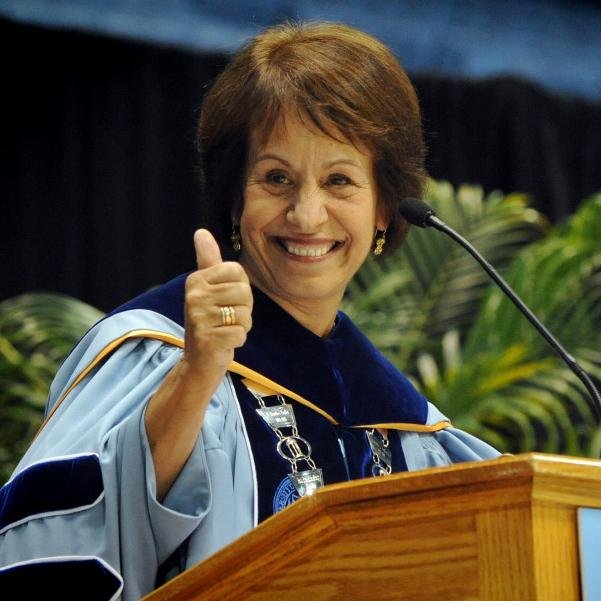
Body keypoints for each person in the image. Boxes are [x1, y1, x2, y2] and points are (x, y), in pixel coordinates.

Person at [0, 21, 500, 600]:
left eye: (340, 181)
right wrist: (196, 373)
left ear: (385, 209)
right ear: (235, 201)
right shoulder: (154, 353)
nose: (307, 215)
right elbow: (67, 541)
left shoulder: (411, 425)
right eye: (276, 178)